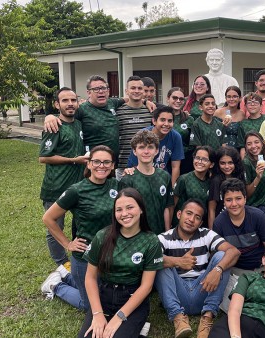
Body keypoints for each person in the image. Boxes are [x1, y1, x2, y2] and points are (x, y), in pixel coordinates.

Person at [77, 188, 163, 338]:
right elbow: (90, 278)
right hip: (104, 296)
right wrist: (97, 314)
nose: (124, 214)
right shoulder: (102, 236)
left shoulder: (151, 241)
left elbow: (146, 286)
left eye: (130, 207)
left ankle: (137, 326)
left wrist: (119, 317)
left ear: (141, 209)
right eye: (119, 209)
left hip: (132, 299)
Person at [41, 145, 118, 311]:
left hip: (110, 254)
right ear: (88, 164)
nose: (101, 166)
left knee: (107, 295)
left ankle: (66, 275)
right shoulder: (76, 191)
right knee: (90, 305)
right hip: (86, 257)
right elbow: (48, 218)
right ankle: (55, 285)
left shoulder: (116, 185)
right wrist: (68, 244)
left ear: (112, 165)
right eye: (96, 161)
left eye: (106, 162)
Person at [154, 199, 241, 338]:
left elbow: (234, 251)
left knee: (222, 256)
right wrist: (178, 262)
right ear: (179, 214)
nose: (191, 219)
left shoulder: (206, 234)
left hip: (203, 289)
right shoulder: (164, 238)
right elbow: (149, 260)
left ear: (200, 223)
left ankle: (207, 317)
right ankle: (178, 318)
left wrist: (217, 270)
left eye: (197, 217)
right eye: (188, 213)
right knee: (159, 262)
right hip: (178, 293)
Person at [44, 75, 156, 161]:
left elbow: (128, 98)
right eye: (96, 89)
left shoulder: (112, 103)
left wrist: (145, 101)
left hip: (113, 161)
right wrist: (49, 117)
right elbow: (65, 115)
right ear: (88, 92)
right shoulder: (82, 109)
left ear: (108, 91)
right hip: (93, 162)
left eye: (103, 88)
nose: (101, 91)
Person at [39, 87, 88, 267]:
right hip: (56, 187)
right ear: (56, 104)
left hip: (77, 187)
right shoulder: (53, 126)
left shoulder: (78, 123)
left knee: (80, 222)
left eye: (73, 100)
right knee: (55, 227)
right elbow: (43, 157)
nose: (70, 104)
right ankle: (62, 264)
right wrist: (74, 160)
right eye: (65, 101)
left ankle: (80, 256)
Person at [213, 178, 265, 312]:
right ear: (223, 201)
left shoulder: (257, 216)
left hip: (258, 270)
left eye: (238, 198)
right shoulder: (219, 222)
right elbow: (219, 255)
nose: (234, 204)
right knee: (230, 306)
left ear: (245, 199)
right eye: (229, 200)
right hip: (234, 271)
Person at [119, 130, 174, 235]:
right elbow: (124, 213)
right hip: (137, 236)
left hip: (160, 235)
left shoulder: (164, 176)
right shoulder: (128, 179)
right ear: (134, 151)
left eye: (150, 147)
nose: (146, 151)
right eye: (141, 147)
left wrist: (167, 234)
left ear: (156, 150)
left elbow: (167, 207)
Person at [127, 106, 184, 185]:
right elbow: (133, 165)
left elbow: (175, 167)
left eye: (170, 121)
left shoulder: (176, 137)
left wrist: (172, 189)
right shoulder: (142, 135)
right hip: (141, 177)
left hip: (162, 177)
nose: (166, 124)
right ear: (154, 121)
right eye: (162, 120)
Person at [116, 76, 154, 180]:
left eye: (140, 88)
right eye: (133, 88)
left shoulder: (151, 111)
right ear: (126, 91)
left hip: (147, 166)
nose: (136, 91)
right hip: (123, 166)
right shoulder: (118, 112)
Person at [173, 146, 214, 228]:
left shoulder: (211, 182)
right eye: (197, 158)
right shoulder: (183, 179)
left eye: (205, 160)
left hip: (199, 227)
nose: (200, 161)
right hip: (180, 227)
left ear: (211, 164)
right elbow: (172, 205)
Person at [208, 146, 245, 228]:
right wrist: (212, 234)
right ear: (218, 164)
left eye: (230, 163)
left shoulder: (240, 178)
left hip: (239, 221)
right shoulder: (216, 181)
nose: (227, 167)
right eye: (223, 163)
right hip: (221, 223)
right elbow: (212, 209)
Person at [243, 131, 265, 220]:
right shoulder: (246, 163)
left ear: (262, 143)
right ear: (245, 147)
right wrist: (258, 177)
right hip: (256, 208)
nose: (253, 146)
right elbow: (246, 193)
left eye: (256, 142)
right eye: (249, 144)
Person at [167, 87, 195, 174]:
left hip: (185, 159)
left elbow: (193, 142)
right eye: (175, 98)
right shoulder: (161, 116)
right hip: (165, 158)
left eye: (181, 99)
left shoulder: (189, 119)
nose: (178, 101)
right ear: (168, 98)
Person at [236, 92, 265, 158]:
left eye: (255, 102)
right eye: (249, 103)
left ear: (261, 106)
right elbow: (242, 146)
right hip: (250, 158)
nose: (252, 104)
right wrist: (243, 162)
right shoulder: (243, 124)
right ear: (245, 106)